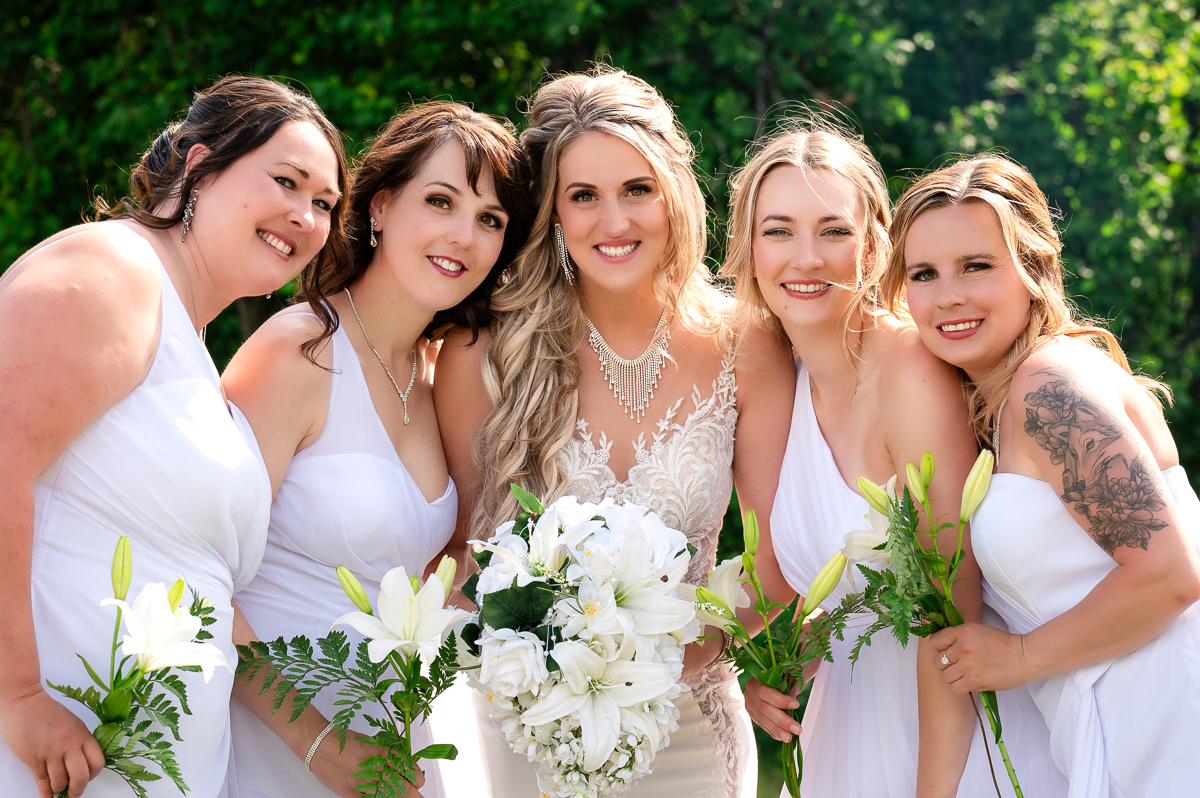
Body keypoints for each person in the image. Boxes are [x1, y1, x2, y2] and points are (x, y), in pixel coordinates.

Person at [431, 67, 795, 797]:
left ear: (674, 194)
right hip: (531, 729)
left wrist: (657, 662)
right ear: (553, 213)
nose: (615, 220)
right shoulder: (485, 353)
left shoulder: (748, 346)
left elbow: (774, 563)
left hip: (691, 729)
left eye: (637, 189)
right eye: (583, 196)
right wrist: (557, 666)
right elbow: (461, 561)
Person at [0, 76, 347, 798]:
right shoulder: (111, 272)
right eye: (286, 181)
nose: (305, 216)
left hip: (159, 762)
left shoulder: (190, 344)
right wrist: (21, 699)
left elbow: (204, 592)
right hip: (54, 750)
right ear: (198, 167)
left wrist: (324, 745)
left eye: (323, 204)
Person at [724, 123, 1066, 797]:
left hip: (945, 735)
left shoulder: (911, 371)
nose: (805, 257)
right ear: (748, 247)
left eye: (833, 230)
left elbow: (956, 615)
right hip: (846, 724)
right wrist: (788, 654)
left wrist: (931, 791)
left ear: (875, 243)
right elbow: (804, 573)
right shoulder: (772, 382)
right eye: (779, 230)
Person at [222, 102, 533, 798]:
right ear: (382, 205)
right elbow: (198, 574)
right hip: (276, 744)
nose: (464, 235)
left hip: (393, 743)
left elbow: (448, 566)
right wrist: (319, 743)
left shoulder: (439, 374)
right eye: (441, 201)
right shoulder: (296, 352)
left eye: (491, 219)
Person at [882, 154, 1200, 797]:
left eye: (977, 266)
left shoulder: (1050, 390)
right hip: (1125, 720)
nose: (949, 296)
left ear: (1034, 267)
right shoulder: (1004, 403)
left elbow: (1171, 573)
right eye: (924, 274)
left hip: (1173, 715)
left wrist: (1021, 658)